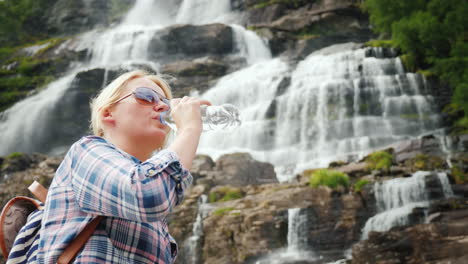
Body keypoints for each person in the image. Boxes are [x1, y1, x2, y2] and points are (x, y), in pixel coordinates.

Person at [37, 70, 210, 263]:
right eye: (146, 97)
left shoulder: (147, 186)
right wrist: (189, 129)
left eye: (166, 104)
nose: (162, 106)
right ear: (108, 113)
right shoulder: (87, 151)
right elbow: (148, 195)